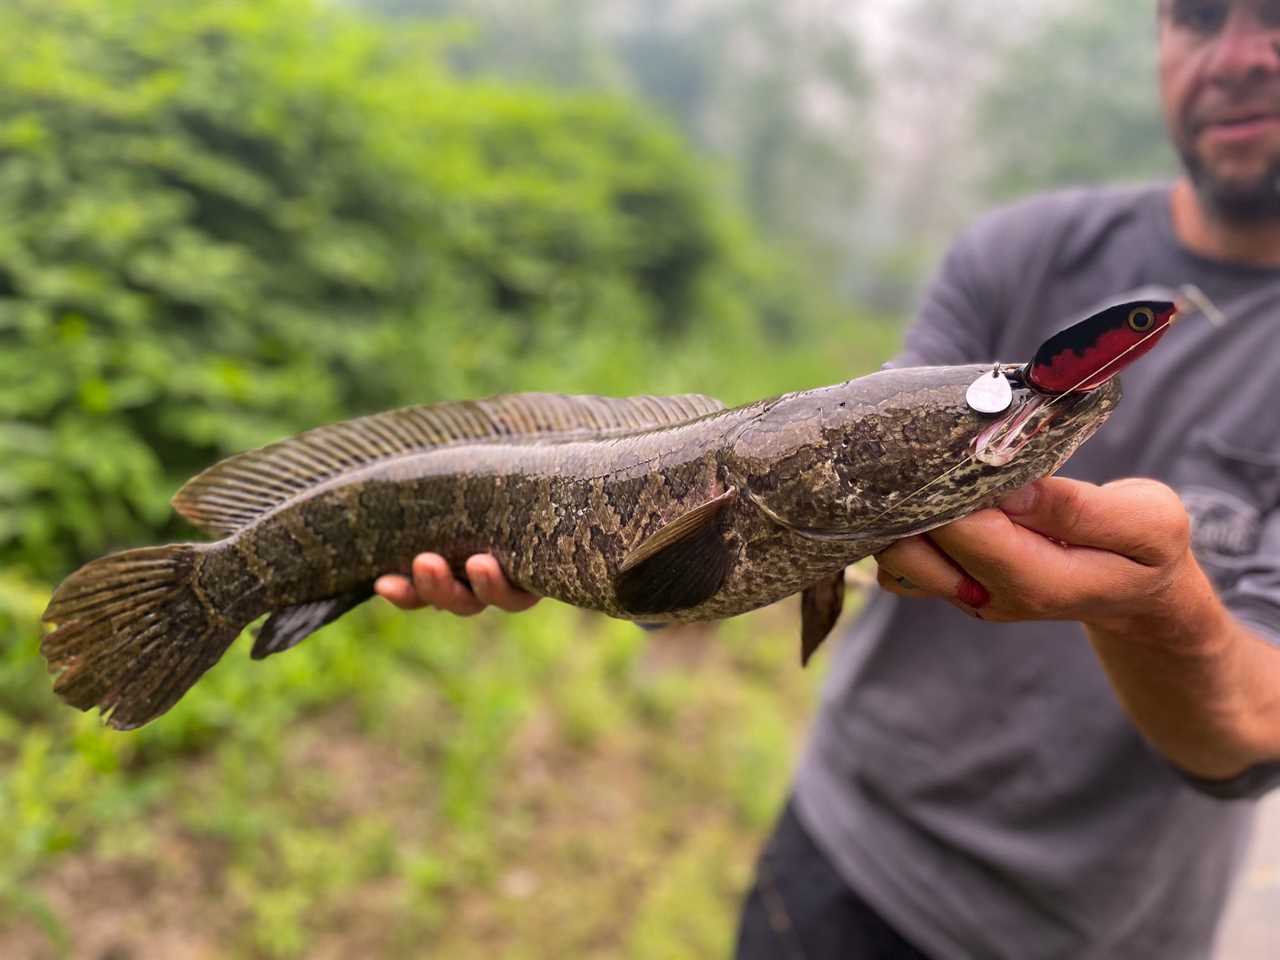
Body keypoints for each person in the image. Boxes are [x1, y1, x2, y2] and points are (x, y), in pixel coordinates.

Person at [375, 1, 1280, 955]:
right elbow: (832, 472)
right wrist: (636, 566)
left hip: (1111, 933)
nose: (1237, 58)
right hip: (847, 869)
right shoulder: (1021, 247)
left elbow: (1253, 732)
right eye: (1198, 14)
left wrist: (1154, 611)